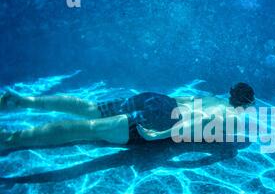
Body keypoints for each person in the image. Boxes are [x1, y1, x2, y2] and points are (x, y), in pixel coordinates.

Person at [0, 83, 255, 152]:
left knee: (91, 110)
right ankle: (10, 139)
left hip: (156, 98)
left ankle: (22, 101)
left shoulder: (212, 96)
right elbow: (195, 123)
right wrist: (162, 134)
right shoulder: (231, 116)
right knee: (86, 129)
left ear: (231, 92)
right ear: (245, 104)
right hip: (161, 118)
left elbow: (186, 101)